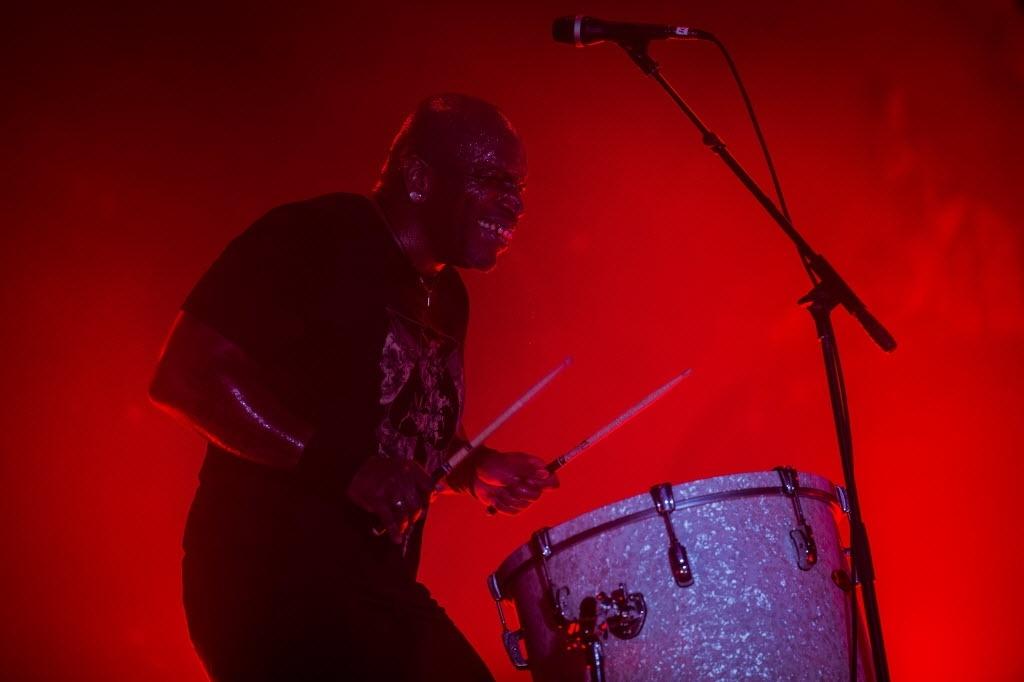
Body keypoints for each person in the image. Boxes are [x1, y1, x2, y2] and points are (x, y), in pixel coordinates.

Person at [149, 93, 558, 681]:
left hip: (377, 591)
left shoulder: (448, 298)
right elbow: (186, 375)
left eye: (520, 187)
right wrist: (346, 469)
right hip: (271, 586)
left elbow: (408, 435)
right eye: (495, 181)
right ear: (419, 176)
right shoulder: (316, 237)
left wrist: (474, 469)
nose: (516, 204)